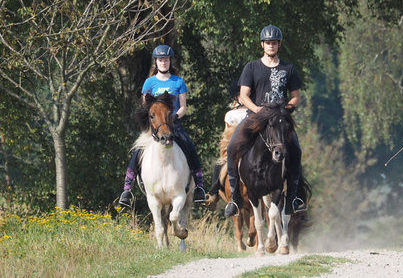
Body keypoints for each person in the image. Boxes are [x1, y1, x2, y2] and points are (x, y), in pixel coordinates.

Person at [224, 25, 305, 217]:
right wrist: (257, 109)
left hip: (279, 119)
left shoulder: (288, 68)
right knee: (232, 147)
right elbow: (243, 96)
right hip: (256, 118)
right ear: (262, 44)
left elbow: (295, 97)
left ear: (278, 45)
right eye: (268, 43)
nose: (271, 46)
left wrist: (287, 109)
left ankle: (294, 196)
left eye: (274, 43)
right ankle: (234, 197)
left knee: (296, 150)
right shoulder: (251, 67)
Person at [117, 44, 205, 209]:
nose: (163, 63)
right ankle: (127, 190)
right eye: (160, 60)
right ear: (156, 62)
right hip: (155, 127)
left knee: (189, 146)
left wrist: (174, 116)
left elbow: (183, 107)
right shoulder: (149, 82)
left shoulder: (178, 81)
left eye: (165, 60)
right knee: (138, 152)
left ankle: (199, 186)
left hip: (173, 124)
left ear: (170, 61)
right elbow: (145, 107)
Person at [204, 81, 248, 211]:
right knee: (219, 166)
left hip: (249, 148)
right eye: (242, 95)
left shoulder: (252, 112)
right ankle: (214, 195)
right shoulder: (230, 114)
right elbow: (226, 134)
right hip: (235, 148)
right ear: (236, 97)